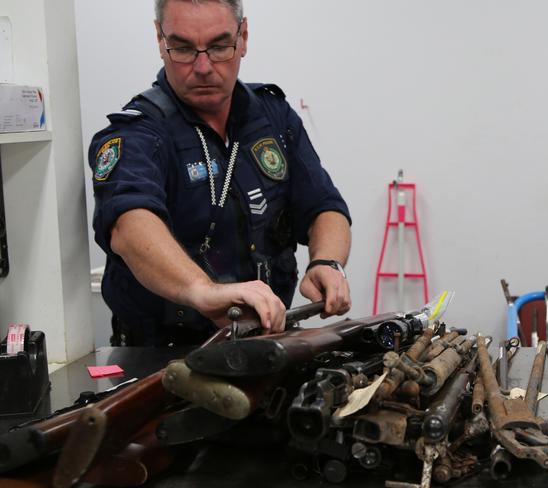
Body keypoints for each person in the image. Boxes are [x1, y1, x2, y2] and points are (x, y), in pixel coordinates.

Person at [89, 0, 352, 346]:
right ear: (159, 38)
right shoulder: (138, 133)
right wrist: (203, 291)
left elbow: (324, 206)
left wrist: (327, 261)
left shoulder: (274, 117)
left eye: (219, 46)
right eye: (182, 48)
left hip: (267, 343)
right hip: (163, 358)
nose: (202, 66)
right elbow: (129, 225)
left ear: (243, 37)